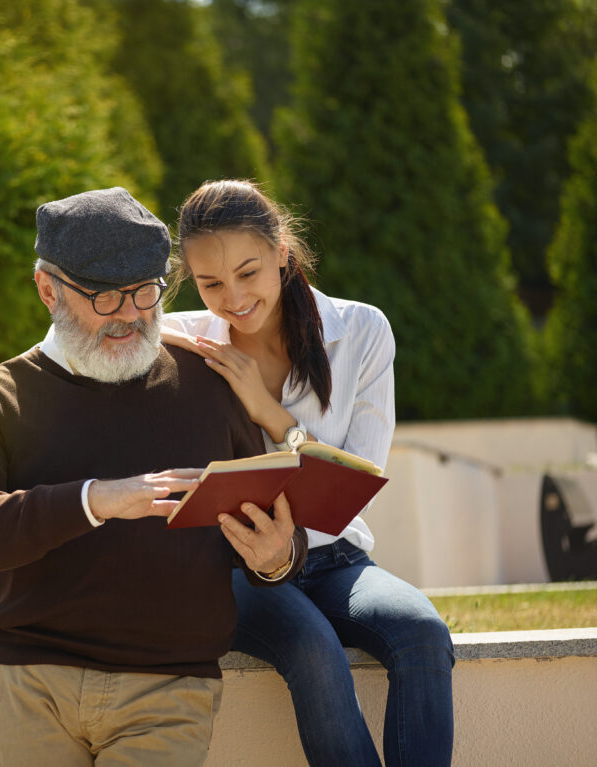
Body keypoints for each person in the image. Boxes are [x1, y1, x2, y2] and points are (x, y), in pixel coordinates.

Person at [0, 186, 309, 767]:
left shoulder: (210, 387)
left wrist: (276, 556)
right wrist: (92, 501)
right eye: (104, 297)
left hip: (169, 688)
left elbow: (271, 523)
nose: (130, 314)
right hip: (32, 683)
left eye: (146, 291)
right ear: (48, 288)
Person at [161, 179, 455, 767]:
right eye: (210, 283)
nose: (233, 298)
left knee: (422, 632)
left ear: (283, 255)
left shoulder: (362, 332)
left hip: (336, 560)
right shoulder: (183, 342)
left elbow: (353, 486)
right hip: (237, 572)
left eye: (249, 272)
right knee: (314, 648)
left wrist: (268, 412)